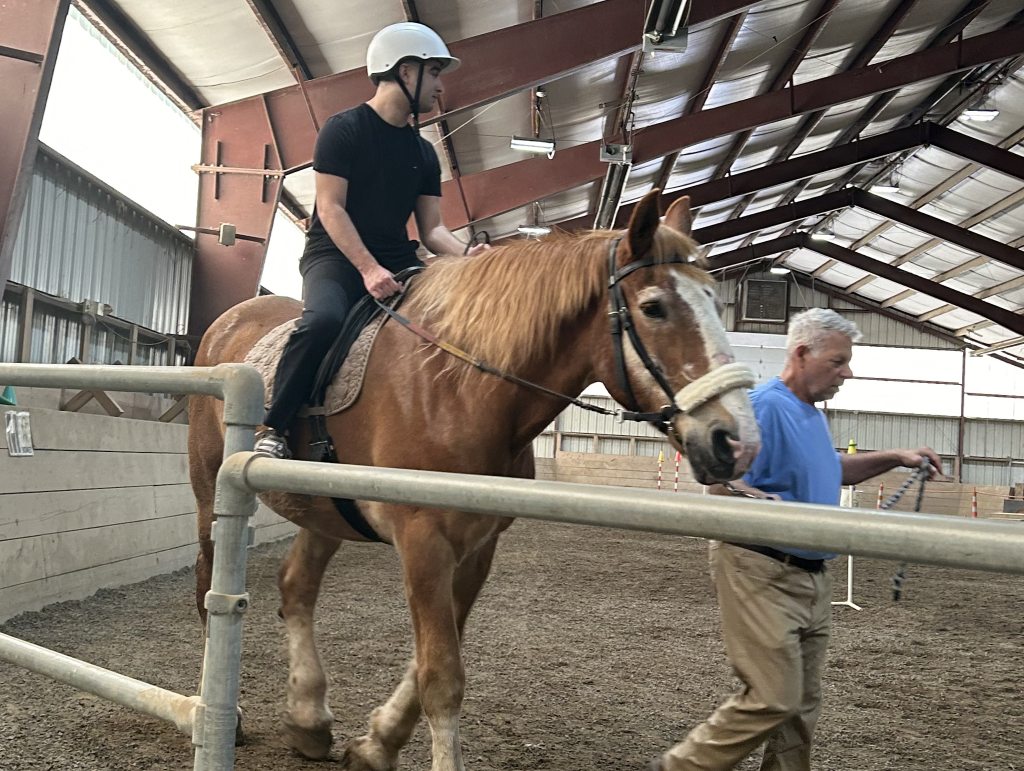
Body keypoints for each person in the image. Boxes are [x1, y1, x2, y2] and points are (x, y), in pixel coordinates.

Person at [654, 308, 942, 771]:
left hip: (810, 574)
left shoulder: (808, 414)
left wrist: (896, 456)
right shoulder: (764, 405)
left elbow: (831, 469)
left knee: (801, 708)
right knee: (772, 698)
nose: (847, 372)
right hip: (763, 567)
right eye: (837, 361)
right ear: (802, 354)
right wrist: (756, 498)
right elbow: (718, 483)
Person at [255, 22, 487, 459]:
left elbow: (433, 230)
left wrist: (468, 256)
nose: (440, 86)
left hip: (400, 259)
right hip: (336, 258)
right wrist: (367, 268)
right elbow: (330, 209)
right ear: (405, 71)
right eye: (434, 72)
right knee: (323, 321)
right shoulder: (343, 130)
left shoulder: (423, 153)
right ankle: (275, 425)